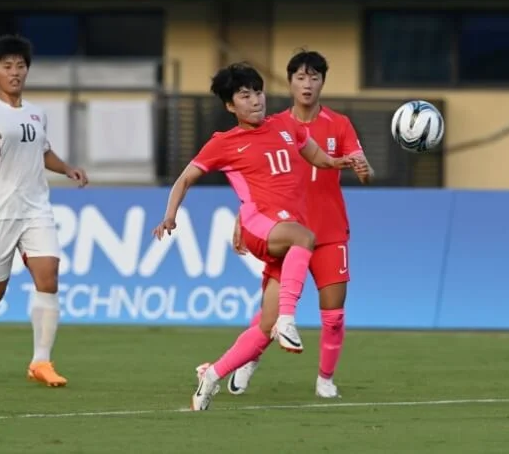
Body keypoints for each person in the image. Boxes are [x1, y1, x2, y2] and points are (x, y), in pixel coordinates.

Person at [150, 62, 353, 411]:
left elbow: (314, 154)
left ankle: (212, 376)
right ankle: (288, 320)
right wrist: (170, 214)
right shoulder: (224, 143)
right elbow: (184, 179)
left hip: (285, 231)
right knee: (305, 238)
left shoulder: (286, 124)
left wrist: (338, 163)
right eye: (245, 96)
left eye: (258, 92)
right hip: (261, 226)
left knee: (263, 327)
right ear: (231, 106)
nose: (255, 100)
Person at [226, 51, 373, 399]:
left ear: (323, 82)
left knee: (334, 314)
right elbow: (254, 179)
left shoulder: (340, 125)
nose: (307, 85)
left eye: (314, 77)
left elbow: (361, 169)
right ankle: (247, 363)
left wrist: (364, 170)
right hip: (286, 231)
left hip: (330, 230)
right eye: (300, 78)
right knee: (270, 313)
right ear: (290, 82)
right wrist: (241, 218)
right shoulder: (271, 125)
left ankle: (325, 380)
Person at [0, 34, 89, 387]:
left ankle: (41, 361)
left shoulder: (37, 112)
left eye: (20, 66)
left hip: (36, 208)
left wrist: (67, 169)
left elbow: (42, 151)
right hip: (1, 211)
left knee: (48, 276)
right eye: (7, 66)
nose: (15, 72)